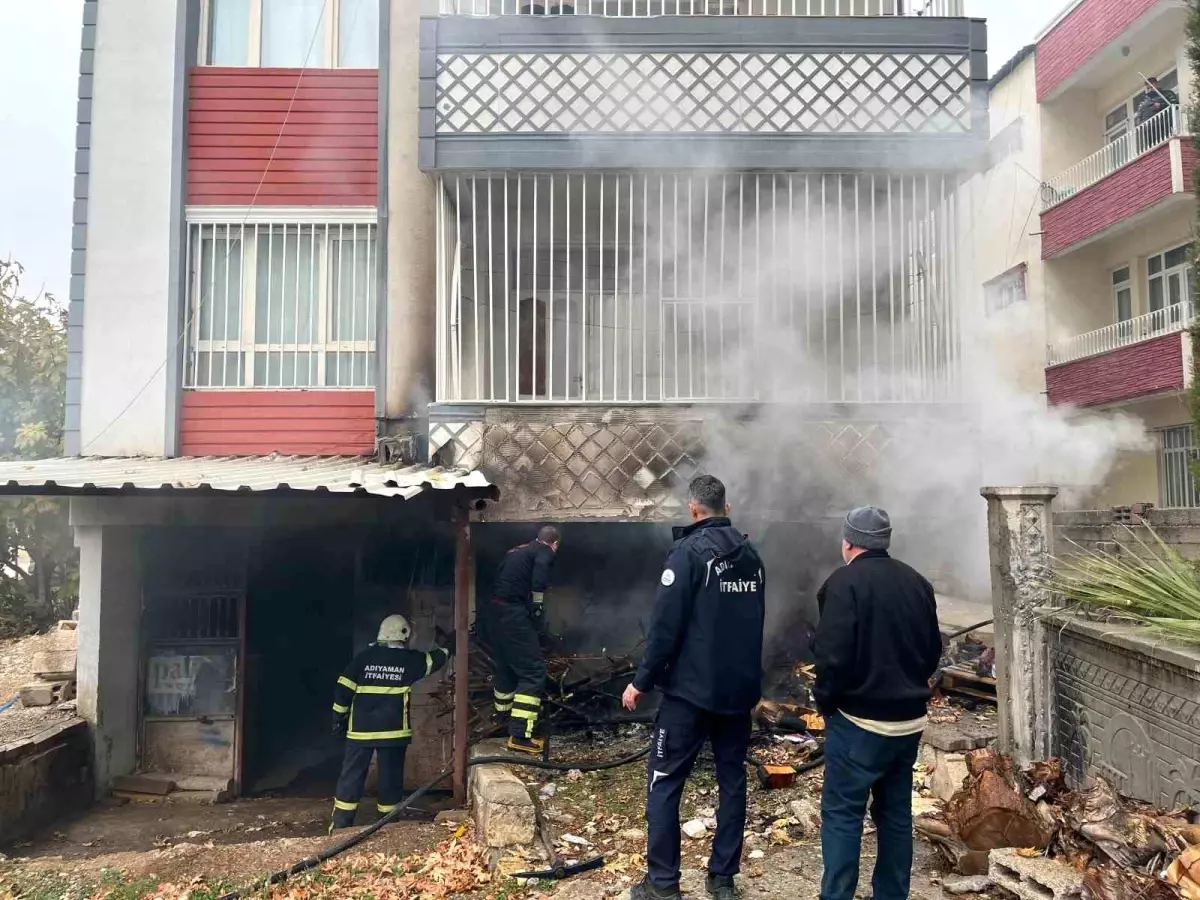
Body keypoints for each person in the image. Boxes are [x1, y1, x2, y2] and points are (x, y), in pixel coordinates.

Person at [623, 475, 766, 900]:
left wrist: (640, 682)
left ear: (693, 509)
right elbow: (754, 621)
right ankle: (722, 879)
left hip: (690, 696)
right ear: (727, 505)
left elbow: (665, 628)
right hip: (738, 695)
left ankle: (663, 884)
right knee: (732, 781)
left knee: (665, 781)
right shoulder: (751, 557)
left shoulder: (687, 554)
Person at [812, 507, 943, 900]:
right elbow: (932, 652)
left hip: (859, 723)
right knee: (895, 815)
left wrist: (826, 704)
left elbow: (832, 659)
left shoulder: (842, 584)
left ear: (848, 542)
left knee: (842, 815)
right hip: (908, 723)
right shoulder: (917, 582)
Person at [329, 614, 452, 830]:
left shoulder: (363, 658)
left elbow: (343, 691)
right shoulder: (409, 661)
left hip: (360, 732)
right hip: (393, 733)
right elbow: (435, 661)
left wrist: (338, 719)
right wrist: (449, 646)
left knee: (351, 777)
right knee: (390, 780)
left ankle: (340, 825)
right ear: (404, 635)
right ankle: (387, 825)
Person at [481, 525, 560, 754]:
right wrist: (537, 606)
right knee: (533, 672)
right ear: (554, 543)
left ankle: (503, 720)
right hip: (513, 614)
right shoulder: (543, 550)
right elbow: (541, 573)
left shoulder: (515, 551)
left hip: (495, 615)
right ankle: (520, 735)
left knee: (505, 669)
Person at [1135, 76, 1179, 151]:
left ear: (1156, 84)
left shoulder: (1167, 94)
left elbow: (1175, 104)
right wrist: (1142, 124)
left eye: (1151, 87)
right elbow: (1139, 117)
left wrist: (1161, 105)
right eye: (1148, 88)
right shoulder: (1143, 103)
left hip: (1164, 125)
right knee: (1154, 149)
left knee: (1165, 146)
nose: (1150, 90)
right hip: (1149, 131)